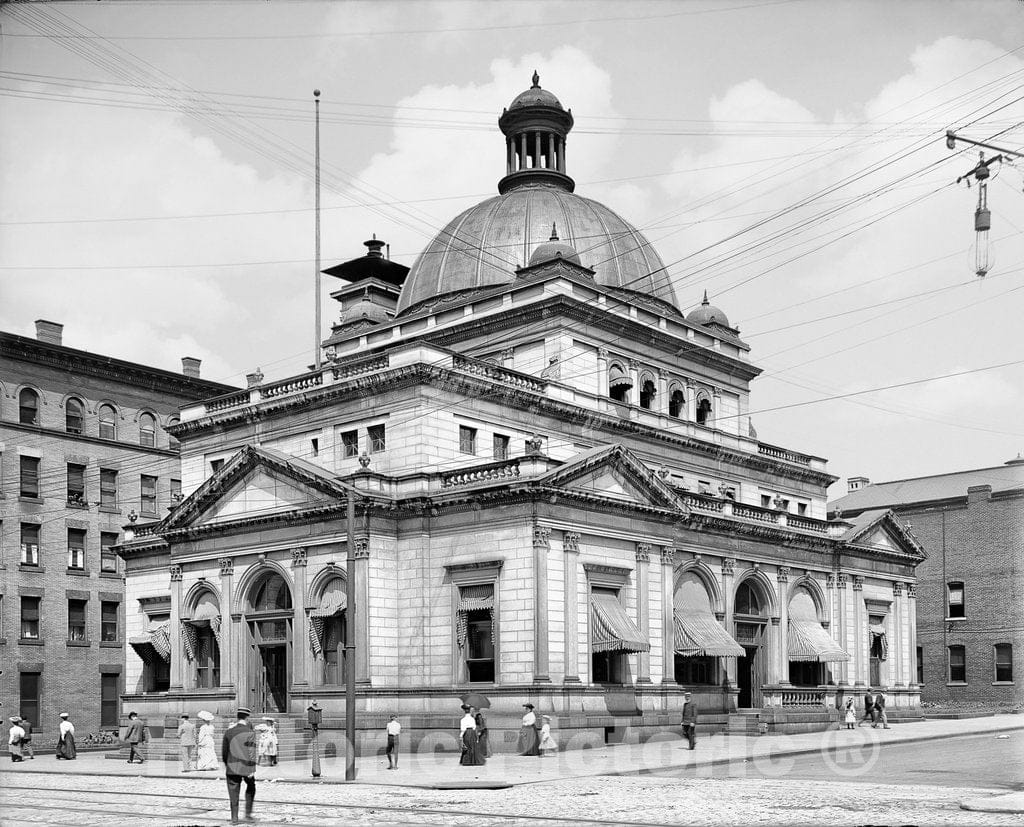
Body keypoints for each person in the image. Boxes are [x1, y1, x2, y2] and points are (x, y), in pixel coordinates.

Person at [222, 707, 258, 825]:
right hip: (246, 767)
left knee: (233, 792)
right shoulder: (250, 732)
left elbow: (224, 752)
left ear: (237, 717)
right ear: (247, 718)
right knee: (251, 788)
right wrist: (252, 768)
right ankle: (247, 815)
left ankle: (234, 818)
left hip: (231, 767)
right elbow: (251, 751)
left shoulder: (228, 732)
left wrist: (227, 764)